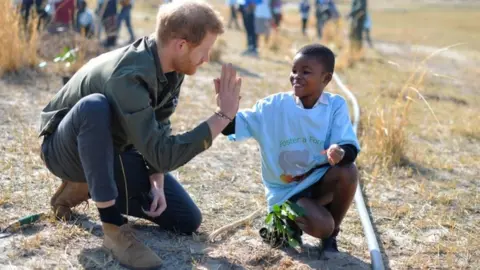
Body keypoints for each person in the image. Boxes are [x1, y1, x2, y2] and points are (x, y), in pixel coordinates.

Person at [39, 1, 241, 269]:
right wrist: (222, 117)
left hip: (115, 147)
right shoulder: (130, 74)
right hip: (65, 149)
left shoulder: (171, 65)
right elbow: (164, 153)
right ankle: (112, 227)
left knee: (186, 220)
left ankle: (85, 186)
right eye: (204, 51)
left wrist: (156, 179)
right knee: (94, 106)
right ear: (181, 45)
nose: (206, 59)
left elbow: (159, 125)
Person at [220, 44, 360, 251]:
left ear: (326, 79)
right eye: (294, 70)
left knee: (348, 171)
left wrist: (339, 151)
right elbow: (232, 127)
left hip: (317, 181)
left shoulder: (334, 106)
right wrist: (224, 111)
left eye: (305, 72)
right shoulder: (272, 107)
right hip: (285, 192)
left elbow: (349, 146)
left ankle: (331, 236)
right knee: (323, 226)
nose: (296, 76)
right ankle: (283, 222)